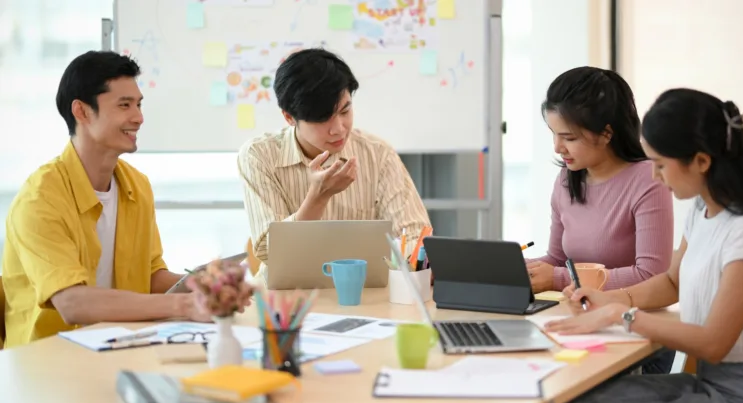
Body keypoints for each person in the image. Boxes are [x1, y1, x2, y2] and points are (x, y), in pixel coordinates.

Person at [546, 89, 743, 403]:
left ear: (701, 162)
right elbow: (671, 282)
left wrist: (624, 316)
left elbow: (713, 342)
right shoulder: (703, 209)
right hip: (711, 385)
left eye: (661, 165)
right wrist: (610, 301)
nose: (654, 176)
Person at [2, 51, 211, 348]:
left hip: (119, 345)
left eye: (138, 104)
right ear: (82, 112)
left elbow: (150, 275)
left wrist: (205, 286)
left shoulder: (137, 185)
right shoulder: (39, 200)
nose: (138, 117)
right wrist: (184, 307)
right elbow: (72, 302)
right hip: (48, 361)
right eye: (124, 105)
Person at [238, 48, 431, 280]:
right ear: (289, 117)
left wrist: (409, 263)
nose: (339, 128)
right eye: (322, 118)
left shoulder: (377, 154)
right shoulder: (259, 156)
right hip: (287, 298)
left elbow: (415, 235)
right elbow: (268, 252)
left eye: (345, 110)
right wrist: (317, 198)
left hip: (365, 294)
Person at [526, 67, 674, 294]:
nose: (557, 147)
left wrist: (558, 279)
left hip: (629, 319)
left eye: (569, 138)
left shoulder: (649, 180)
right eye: (553, 134)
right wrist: (519, 269)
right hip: (579, 312)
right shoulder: (566, 179)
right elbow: (557, 259)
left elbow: (651, 275)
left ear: (606, 134)